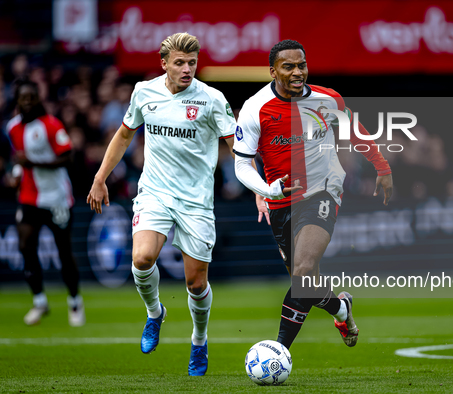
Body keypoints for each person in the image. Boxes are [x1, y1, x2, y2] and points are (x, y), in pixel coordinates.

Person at [86, 32, 237, 376]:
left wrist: (259, 187)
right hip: (155, 192)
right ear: (164, 64)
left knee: (196, 283)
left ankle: (199, 339)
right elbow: (125, 134)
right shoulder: (144, 92)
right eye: (180, 63)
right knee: (141, 259)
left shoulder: (213, 99)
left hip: (196, 200)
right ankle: (155, 313)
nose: (187, 69)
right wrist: (100, 177)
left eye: (192, 63)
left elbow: (237, 146)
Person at [233, 40, 393, 350]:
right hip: (280, 200)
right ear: (272, 71)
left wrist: (381, 166)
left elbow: (353, 128)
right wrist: (264, 190)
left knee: (303, 272)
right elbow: (242, 163)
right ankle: (342, 309)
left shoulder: (327, 98)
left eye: (302, 65)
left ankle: (278, 352)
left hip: (323, 191)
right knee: (307, 285)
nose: (297, 72)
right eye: (288, 66)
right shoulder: (255, 108)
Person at [7, 80, 85, 327]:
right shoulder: (12, 128)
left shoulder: (51, 125)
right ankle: (40, 301)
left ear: (38, 99)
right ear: (17, 101)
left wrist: (33, 163)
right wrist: (17, 174)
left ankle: (74, 301)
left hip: (56, 198)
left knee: (64, 251)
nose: (28, 102)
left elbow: (68, 159)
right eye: (23, 98)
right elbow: (19, 158)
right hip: (30, 197)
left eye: (32, 97)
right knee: (25, 245)